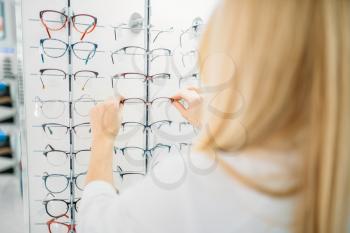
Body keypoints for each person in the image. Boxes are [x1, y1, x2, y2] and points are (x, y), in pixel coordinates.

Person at [78, 0, 350, 233]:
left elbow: (98, 225)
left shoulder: (193, 187)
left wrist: (102, 138)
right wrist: (211, 125)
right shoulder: (332, 176)